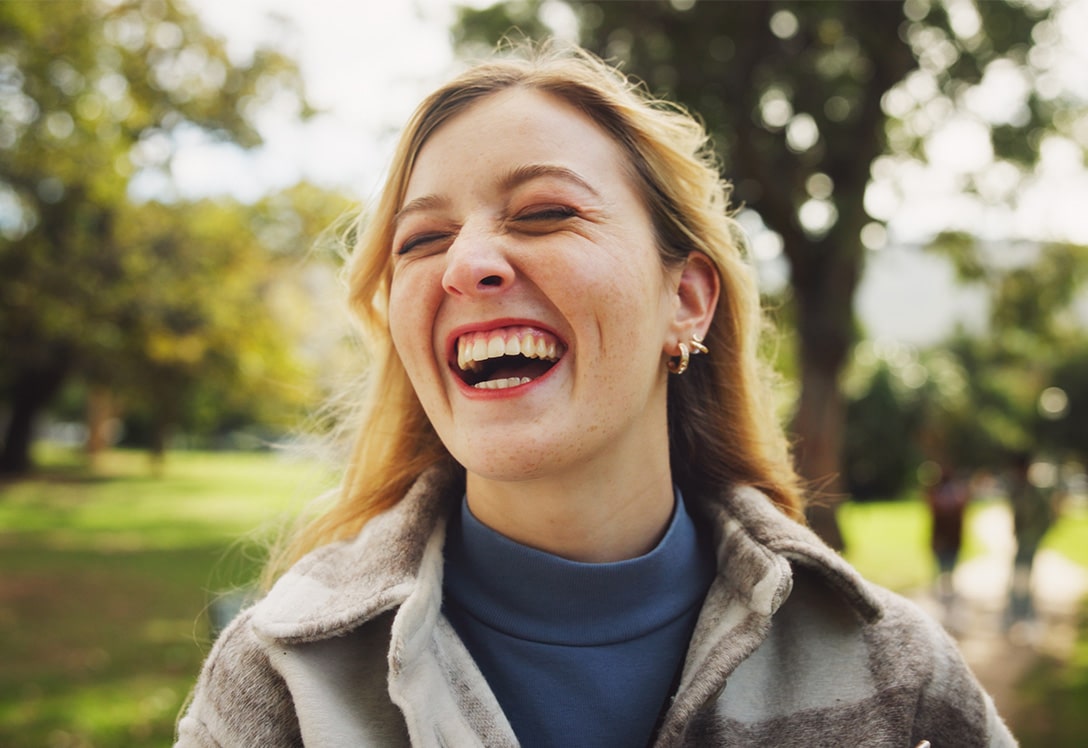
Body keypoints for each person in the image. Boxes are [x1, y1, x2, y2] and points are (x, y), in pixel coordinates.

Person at [176, 42, 1015, 747]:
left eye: (544, 213)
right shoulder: (281, 678)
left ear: (686, 300)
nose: (467, 264)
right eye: (423, 238)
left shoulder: (896, 675)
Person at [1006, 452, 1057, 630]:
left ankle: (1023, 612)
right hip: (1022, 540)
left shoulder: (1033, 493)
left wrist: (1034, 536)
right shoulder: (1018, 490)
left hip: (1029, 540)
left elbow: (1047, 517)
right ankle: (1017, 610)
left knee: (1024, 575)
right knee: (1019, 574)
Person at [926, 466, 971, 618]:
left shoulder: (949, 494)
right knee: (943, 569)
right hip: (945, 538)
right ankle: (944, 597)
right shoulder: (945, 494)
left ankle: (947, 597)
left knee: (947, 569)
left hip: (950, 539)